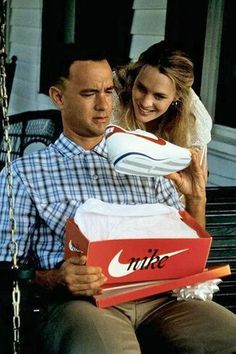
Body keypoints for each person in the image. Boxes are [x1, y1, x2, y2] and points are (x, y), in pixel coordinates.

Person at [0, 45, 236, 354]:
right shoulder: (24, 174)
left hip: (161, 300)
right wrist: (54, 278)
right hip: (86, 304)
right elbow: (6, 269)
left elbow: (190, 259)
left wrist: (196, 200)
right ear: (58, 97)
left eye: (109, 91)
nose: (102, 104)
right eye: (88, 94)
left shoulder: (147, 159)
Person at [112, 40, 212, 180]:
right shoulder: (111, 99)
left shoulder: (193, 122)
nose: (146, 103)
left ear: (176, 96)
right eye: (141, 88)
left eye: (159, 96)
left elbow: (196, 187)